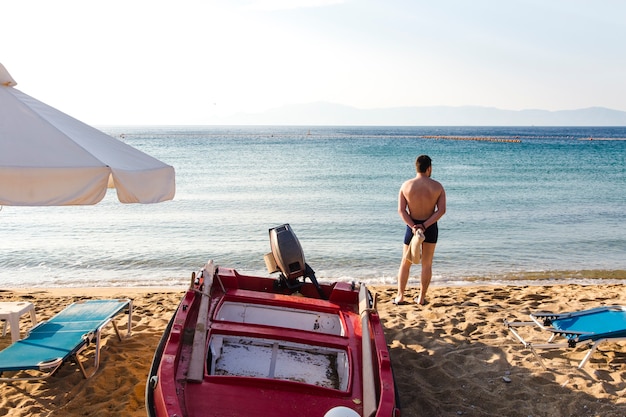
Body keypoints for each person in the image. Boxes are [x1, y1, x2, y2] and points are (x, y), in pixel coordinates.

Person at [394, 155, 446, 306]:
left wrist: (414, 226)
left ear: (416, 167)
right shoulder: (438, 187)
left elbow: (401, 211)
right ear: (429, 168)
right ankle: (421, 298)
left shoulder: (406, 186)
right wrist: (425, 225)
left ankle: (400, 296)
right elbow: (441, 210)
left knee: (405, 262)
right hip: (429, 227)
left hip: (412, 226)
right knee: (427, 263)